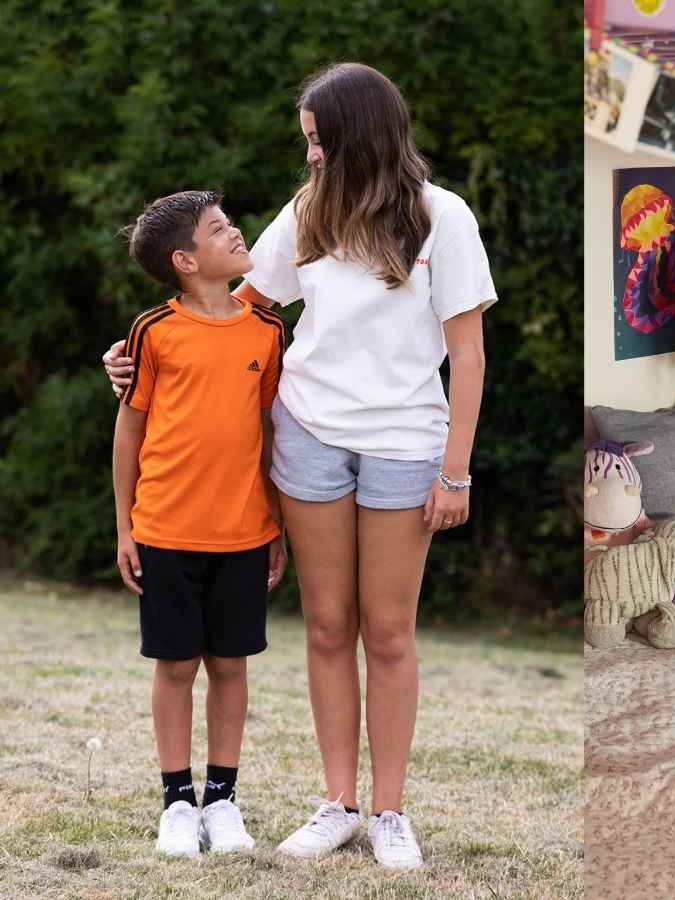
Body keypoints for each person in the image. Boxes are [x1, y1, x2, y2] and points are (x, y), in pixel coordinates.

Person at [102, 63, 496, 869]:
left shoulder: (442, 218)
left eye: (318, 140)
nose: (311, 156)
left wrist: (455, 471)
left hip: (403, 445)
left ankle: (389, 812)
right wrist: (145, 355)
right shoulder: (308, 209)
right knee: (325, 626)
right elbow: (239, 304)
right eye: (308, 142)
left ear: (358, 134)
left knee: (389, 632)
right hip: (309, 435)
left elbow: (468, 353)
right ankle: (338, 804)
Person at [113, 191, 286, 859]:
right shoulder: (153, 331)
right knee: (177, 665)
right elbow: (129, 430)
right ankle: (177, 803)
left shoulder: (266, 331)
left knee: (230, 665)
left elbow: (269, 432)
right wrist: (125, 529)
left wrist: (275, 524)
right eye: (219, 229)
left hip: (243, 533)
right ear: (185, 260)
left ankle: (222, 800)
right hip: (164, 530)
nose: (236, 232)